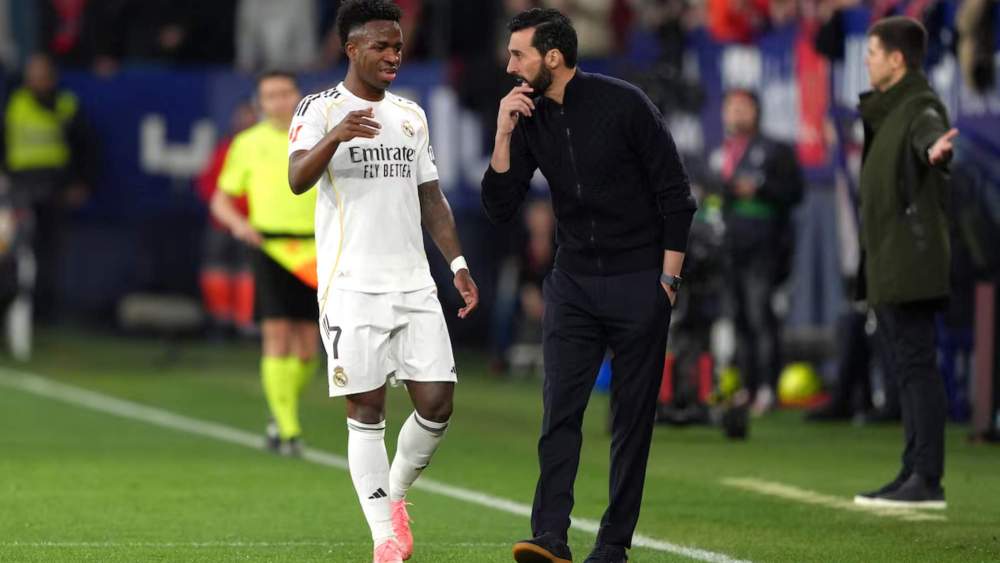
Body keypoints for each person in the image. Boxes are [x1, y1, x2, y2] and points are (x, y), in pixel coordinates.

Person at [481, 9, 696, 563]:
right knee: (559, 413)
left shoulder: (624, 103)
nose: (510, 67)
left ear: (553, 57)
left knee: (630, 422)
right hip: (573, 283)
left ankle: (614, 544)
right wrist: (503, 132)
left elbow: (676, 194)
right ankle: (549, 535)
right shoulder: (526, 118)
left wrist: (666, 282)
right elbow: (500, 207)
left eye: (518, 55)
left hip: (639, 282)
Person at [286, 1, 479, 561]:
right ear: (352, 49)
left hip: (415, 284)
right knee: (366, 410)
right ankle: (384, 538)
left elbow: (431, 198)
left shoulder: (411, 115)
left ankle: (391, 497)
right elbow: (298, 177)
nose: (394, 54)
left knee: (438, 402)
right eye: (381, 46)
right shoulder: (319, 108)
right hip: (350, 285)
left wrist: (458, 266)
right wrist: (338, 136)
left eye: (398, 46)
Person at [851, 16, 958, 510]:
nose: (867, 60)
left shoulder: (918, 106)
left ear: (897, 60)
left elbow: (930, 133)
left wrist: (935, 151)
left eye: (873, 53)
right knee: (907, 366)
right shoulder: (888, 110)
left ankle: (928, 477)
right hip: (892, 262)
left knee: (917, 367)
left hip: (911, 262)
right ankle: (912, 469)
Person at [211, 70, 319, 456]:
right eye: (269, 95)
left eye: (284, 92)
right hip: (270, 248)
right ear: (260, 103)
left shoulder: (317, 136)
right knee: (276, 336)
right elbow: (221, 200)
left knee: (308, 347)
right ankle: (289, 431)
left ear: (298, 95)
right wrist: (241, 226)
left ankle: (279, 417)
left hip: (315, 251)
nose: (278, 101)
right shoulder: (247, 143)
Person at [712, 88, 803, 415]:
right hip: (730, 246)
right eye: (731, 107)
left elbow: (795, 193)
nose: (736, 113)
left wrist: (760, 188)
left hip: (764, 247)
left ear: (756, 111)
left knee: (760, 315)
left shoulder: (775, 150)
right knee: (737, 318)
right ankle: (746, 387)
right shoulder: (721, 153)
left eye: (743, 107)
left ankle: (767, 388)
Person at [0, 54, 94, 323]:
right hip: (18, 189)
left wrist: (82, 182)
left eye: (42, 74)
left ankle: (44, 312)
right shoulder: (14, 104)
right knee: (13, 251)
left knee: (50, 252)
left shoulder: (66, 105)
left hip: (54, 188)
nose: (37, 80)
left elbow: (86, 146)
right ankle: (12, 311)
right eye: (32, 74)